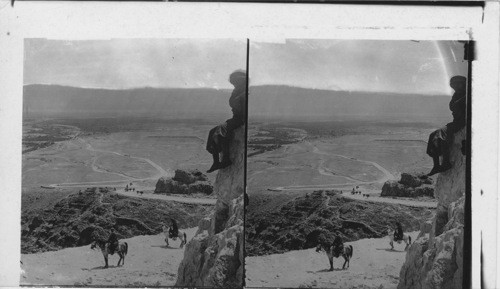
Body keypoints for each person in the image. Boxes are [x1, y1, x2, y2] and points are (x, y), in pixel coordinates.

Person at [206, 70, 247, 173]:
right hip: (235, 118)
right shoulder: (237, 90)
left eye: (235, 82)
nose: (233, 84)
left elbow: (243, 110)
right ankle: (218, 162)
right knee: (213, 132)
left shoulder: (244, 92)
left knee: (220, 131)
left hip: (240, 118)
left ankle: (225, 160)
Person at [426, 75, 467, 176]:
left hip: (462, 122)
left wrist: (458, 103)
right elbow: (453, 106)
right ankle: (436, 166)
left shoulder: (468, 94)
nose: (456, 87)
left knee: (442, 136)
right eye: (454, 85)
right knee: (433, 135)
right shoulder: (457, 94)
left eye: (458, 84)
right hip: (455, 122)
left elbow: (457, 106)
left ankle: (446, 163)